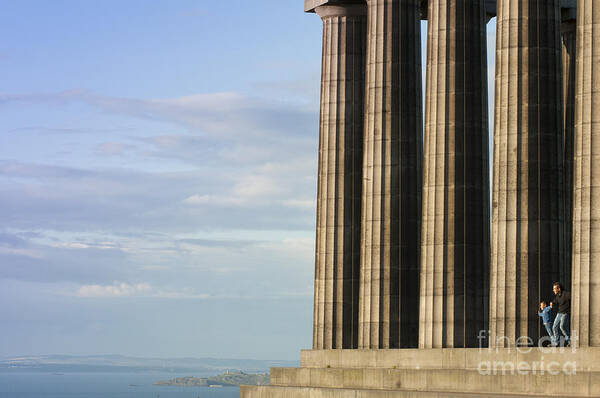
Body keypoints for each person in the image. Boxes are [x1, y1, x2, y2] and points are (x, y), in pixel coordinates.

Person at [550, 282, 571, 346]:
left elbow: (574, 298)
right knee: (554, 327)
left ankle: (569, 341)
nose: (553, 290)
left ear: (559, 289)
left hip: (565, 313)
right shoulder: (557, 296)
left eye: (554, 289)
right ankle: (556, 342)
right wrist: (552, 303)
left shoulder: (566, 294)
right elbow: (555, 301)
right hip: (559, 313)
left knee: (562, 327)